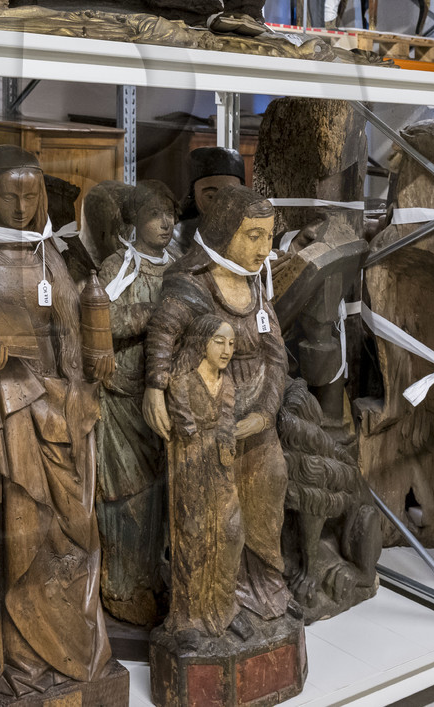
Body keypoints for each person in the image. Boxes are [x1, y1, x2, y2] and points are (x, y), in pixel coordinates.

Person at [0, 145, 115, 703]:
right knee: (10, 534)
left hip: (56, 413)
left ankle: (61, 655)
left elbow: (70, 338)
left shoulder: (47, 252)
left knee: (65, 538)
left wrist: (79, 391)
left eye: (30, 196)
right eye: (9, 195)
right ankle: (2, 651)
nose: (21, 206)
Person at [144, 185, 290, 629]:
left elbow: (277, 354)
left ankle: (264, 591)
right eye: (253, 236)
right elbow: (162, 334)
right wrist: (154, 387)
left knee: (271, 484)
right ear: (226, 231)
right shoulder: (193, 283)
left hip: (257, 416)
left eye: (269, 238)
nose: (264, 249)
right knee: (217, 520)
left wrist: (266, 411)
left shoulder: (255, 286)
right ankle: (217, 606)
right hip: (211, 418)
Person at [93, 180, 179, 626]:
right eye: (153, 214)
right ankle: (122, 584)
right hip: (121, 399)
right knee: (126, 499)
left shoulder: (180, 267)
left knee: (161, 497)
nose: (164, 223)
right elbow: (97, 321)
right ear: (132, 221)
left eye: (169, 213)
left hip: (166, 400)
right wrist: (154, 317)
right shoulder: (117, 266)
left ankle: (152, 575)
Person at [163, 314, 240, 639]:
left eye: (232, 343)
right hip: (190, 471)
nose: (226, 350)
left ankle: (224, 609)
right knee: (192, 540)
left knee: (229, 535)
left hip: (221, 472)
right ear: (202, 343)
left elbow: (226, 425)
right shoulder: (182, 383)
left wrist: (226, 438)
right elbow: (186, 432)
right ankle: (189, 617)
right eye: (219, 341)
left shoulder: (228, 384)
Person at [175, 146, 246, 251]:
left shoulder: (252, 232)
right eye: (211, 196)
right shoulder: (174, 237)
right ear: (192, 194)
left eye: (232, 195)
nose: (222, 204)